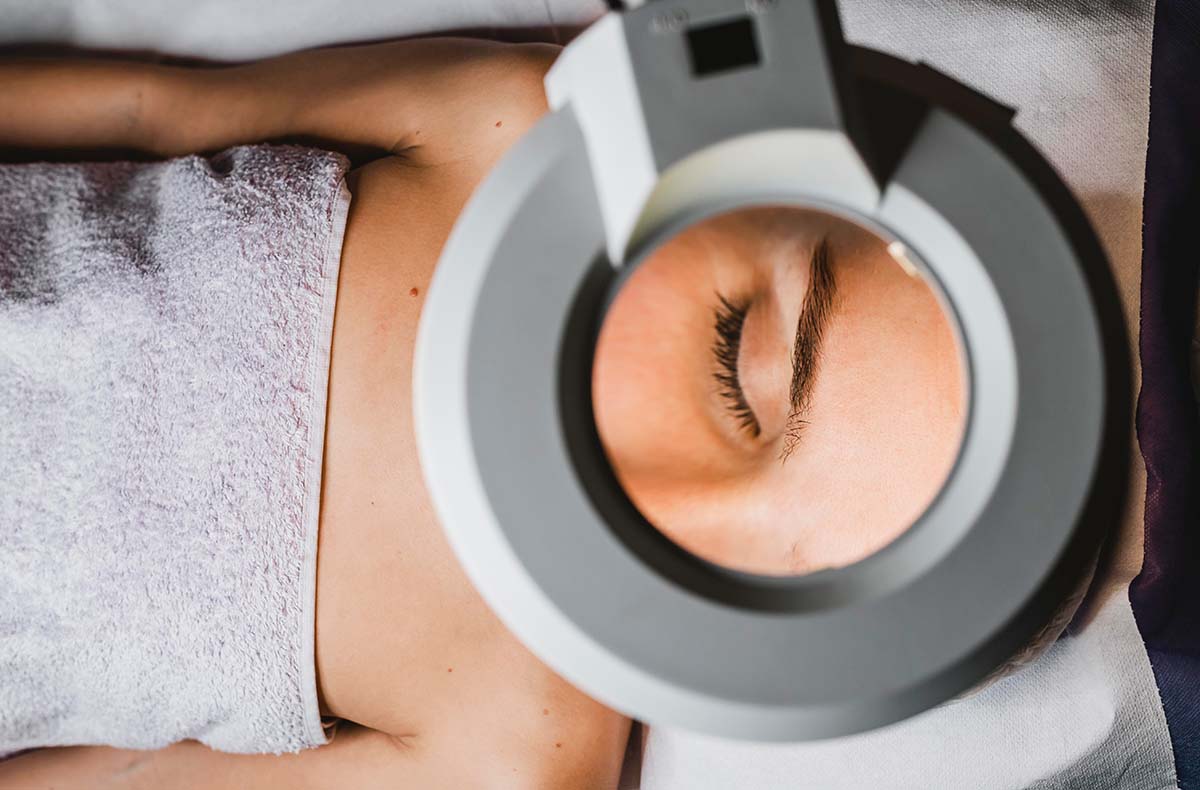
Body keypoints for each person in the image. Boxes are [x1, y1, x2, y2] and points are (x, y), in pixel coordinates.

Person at [0, 34, 1087, 789]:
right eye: (733, 353)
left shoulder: (517, 755)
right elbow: (154, 107)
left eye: (754, 583)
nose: (649, 513)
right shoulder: (513, 127)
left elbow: (122, 777)